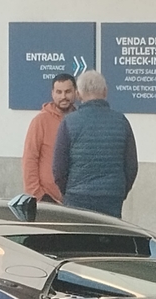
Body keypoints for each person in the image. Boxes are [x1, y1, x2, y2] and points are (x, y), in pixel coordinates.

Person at [51, 70, 137, 217]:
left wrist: (69, 192)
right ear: (105, 91)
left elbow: (59, 168)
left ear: (78, 94)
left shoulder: (69, 122)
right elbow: (131, 167)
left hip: (77, 197)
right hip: (111, 198)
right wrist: (119, 192)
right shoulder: (121, 121)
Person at [19, 72, 76, 202]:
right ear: (52, 93)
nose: (63, 97)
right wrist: (38, 194)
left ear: (76, 93)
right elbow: (29, 159)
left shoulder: (79, 120)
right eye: (59, 92)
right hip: (47, 199)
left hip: (76, 198)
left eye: (68, 92)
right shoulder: (40, 121)